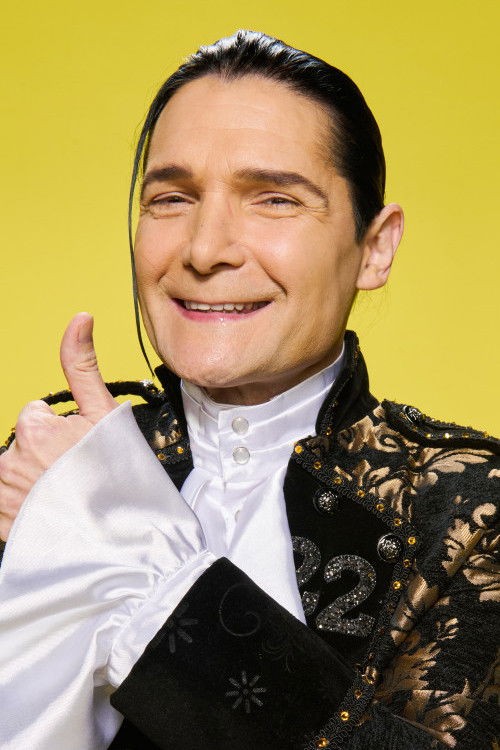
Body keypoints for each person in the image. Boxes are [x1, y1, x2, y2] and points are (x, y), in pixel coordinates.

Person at [0, 30, 498, 750]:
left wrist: (122, 552)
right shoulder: (43, 469)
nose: (205, 250)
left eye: (274, 200)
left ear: (375, 246)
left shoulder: (471, 509)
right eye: (172, 198)